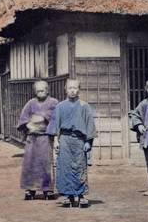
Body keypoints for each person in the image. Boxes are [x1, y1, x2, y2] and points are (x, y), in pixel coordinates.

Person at [46, 79, 96, 208]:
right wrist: (56, 140)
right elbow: (55, 125)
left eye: (75, 88)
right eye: (70, 88)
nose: (72, 90)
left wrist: (88, 142)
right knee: (65, 167)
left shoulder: (84, 106)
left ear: (79, 89)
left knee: (80, 167)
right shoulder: (60, 106)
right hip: (65, 139)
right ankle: (67, 195)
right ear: (65, 89)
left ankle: (81, 195)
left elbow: (90, 125)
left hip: (79, 140)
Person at [17, 80, 59, 200]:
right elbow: (24, 118)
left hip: (45, 136)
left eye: (42, 90)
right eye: (37, 90)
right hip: (32, 137)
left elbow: (54, 117)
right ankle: (30, 189)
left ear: (47, 90)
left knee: (45, 163)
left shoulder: (53, 102)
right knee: (30, 163)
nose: (40, 92)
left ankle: (47, 189)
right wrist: (28, 124)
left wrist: (40, 118)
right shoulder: (31, 103)